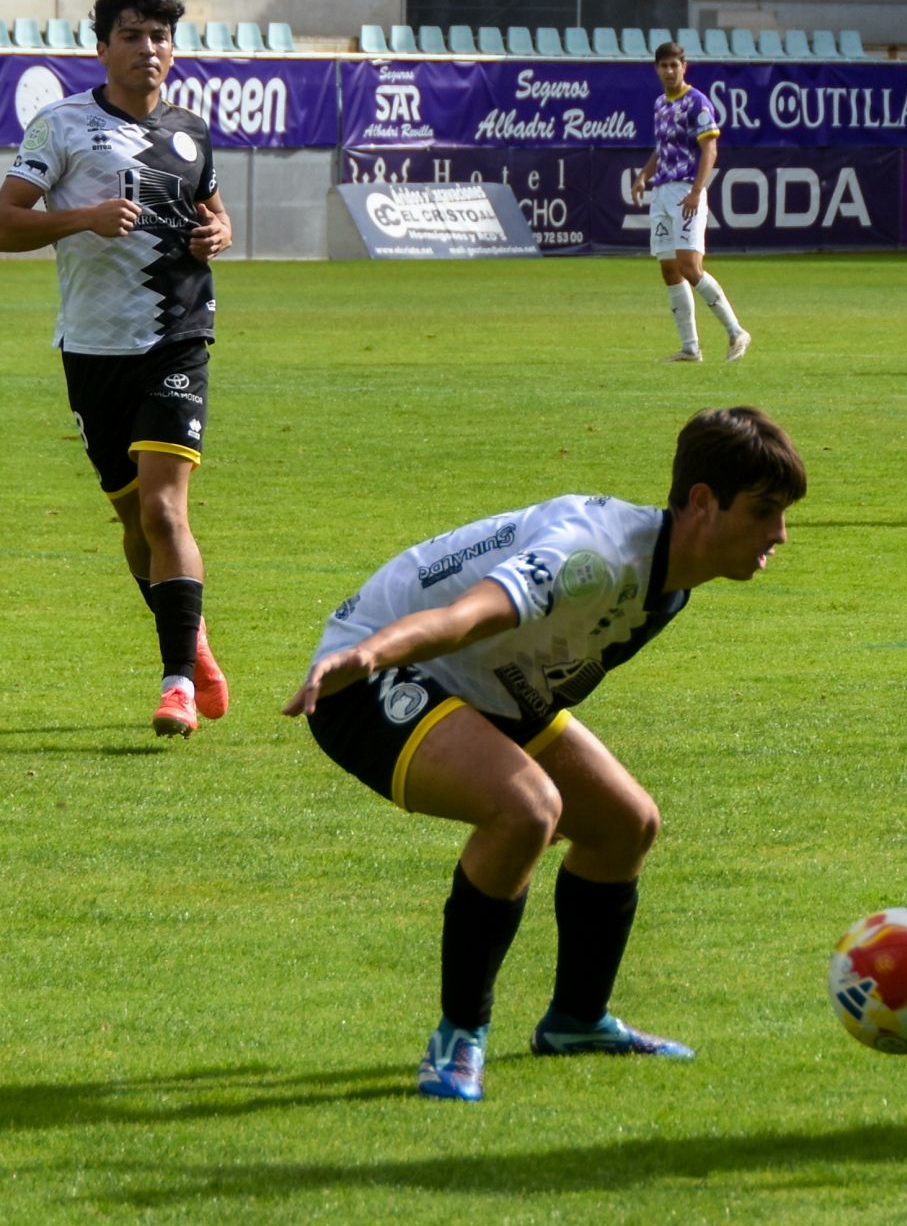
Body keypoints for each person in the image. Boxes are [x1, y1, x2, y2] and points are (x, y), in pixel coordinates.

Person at [282, 407, 806, 1102]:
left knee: (625, 824)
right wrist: (368, 653)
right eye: (765, 509)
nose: (780, 533)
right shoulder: (591, 559)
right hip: (373, 673)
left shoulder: (673, 579)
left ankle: (576, 1020)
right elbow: (466, 618)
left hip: (487, 684)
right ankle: (457, 1039)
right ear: (704, 502)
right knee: (526, 809)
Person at [0, 0, 232, 738]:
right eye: (131, 36)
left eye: (159, 36)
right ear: (101, 49)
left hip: (178, 333)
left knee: (166, 509)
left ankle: (175, 686)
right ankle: (189, 634)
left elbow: (214, 213)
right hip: (93, 348)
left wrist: (217, 235)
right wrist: (85, 218)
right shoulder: (62, 128)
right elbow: (5, 222)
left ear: (174, 47)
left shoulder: (191, 130)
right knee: (134, 522)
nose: (148, 49)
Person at [631, 42, 750, 364]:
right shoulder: (660, 104)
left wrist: (697, 191)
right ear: (656, 69)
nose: (669, 71)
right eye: (663, 66)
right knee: (669, 269)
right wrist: (644, 175)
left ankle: (736, 330)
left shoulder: (697, 102)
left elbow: (710, 149)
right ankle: (690, 348)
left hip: (685, 190)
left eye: (674, 65)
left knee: (689, 266)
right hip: (662, 191)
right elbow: (662, 147)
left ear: (685, 67)